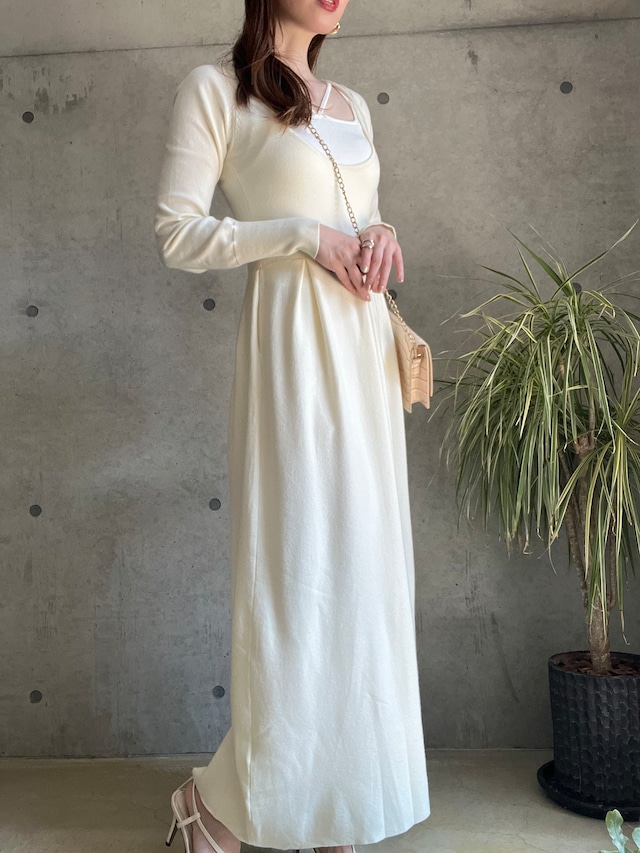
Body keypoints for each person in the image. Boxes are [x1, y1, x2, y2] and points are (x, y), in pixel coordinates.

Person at [154, 1, 431, 852]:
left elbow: (357, 215)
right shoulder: (216, 92)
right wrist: (302, 238)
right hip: (293, 358)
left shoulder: (354, 107)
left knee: (360, 579)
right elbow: (176, 233)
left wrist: (378, 231)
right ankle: (214, 803)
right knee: (299, 575)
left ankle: (334, 807)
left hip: (363, 358)